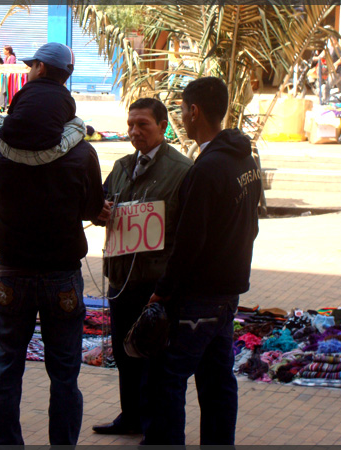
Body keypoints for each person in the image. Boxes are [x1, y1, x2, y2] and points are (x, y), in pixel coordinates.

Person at [0, 42, 105, 446]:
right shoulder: (81, 152)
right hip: (61, 277)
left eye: (31, 66)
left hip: (11, 271)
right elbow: (92, 208)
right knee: (64, 373)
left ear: (37, 71)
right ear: (65, 78)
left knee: (7, 369)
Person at [145, 77, 261, 445]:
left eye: (181, 111)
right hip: (227, 292)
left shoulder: (207, 169)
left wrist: (162, 292)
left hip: (201, 296)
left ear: (194, 111)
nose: (181, 118)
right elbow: (251, 225)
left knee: (169, 377)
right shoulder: (244, 157)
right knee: (216, 379)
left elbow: (189, 243)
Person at [91, 98, 193, 436]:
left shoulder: (181, 170)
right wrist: (99, 210)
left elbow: (187, 231)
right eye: (131, 124)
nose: (135, 131)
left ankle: (155, 428)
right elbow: (100, 202)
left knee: (154, 358)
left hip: (155, 283)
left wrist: (168, 285)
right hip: (121, 280)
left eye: (143, 125)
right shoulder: (121, 166)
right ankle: (130, 416)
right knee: (125, 352)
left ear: (162, 126)